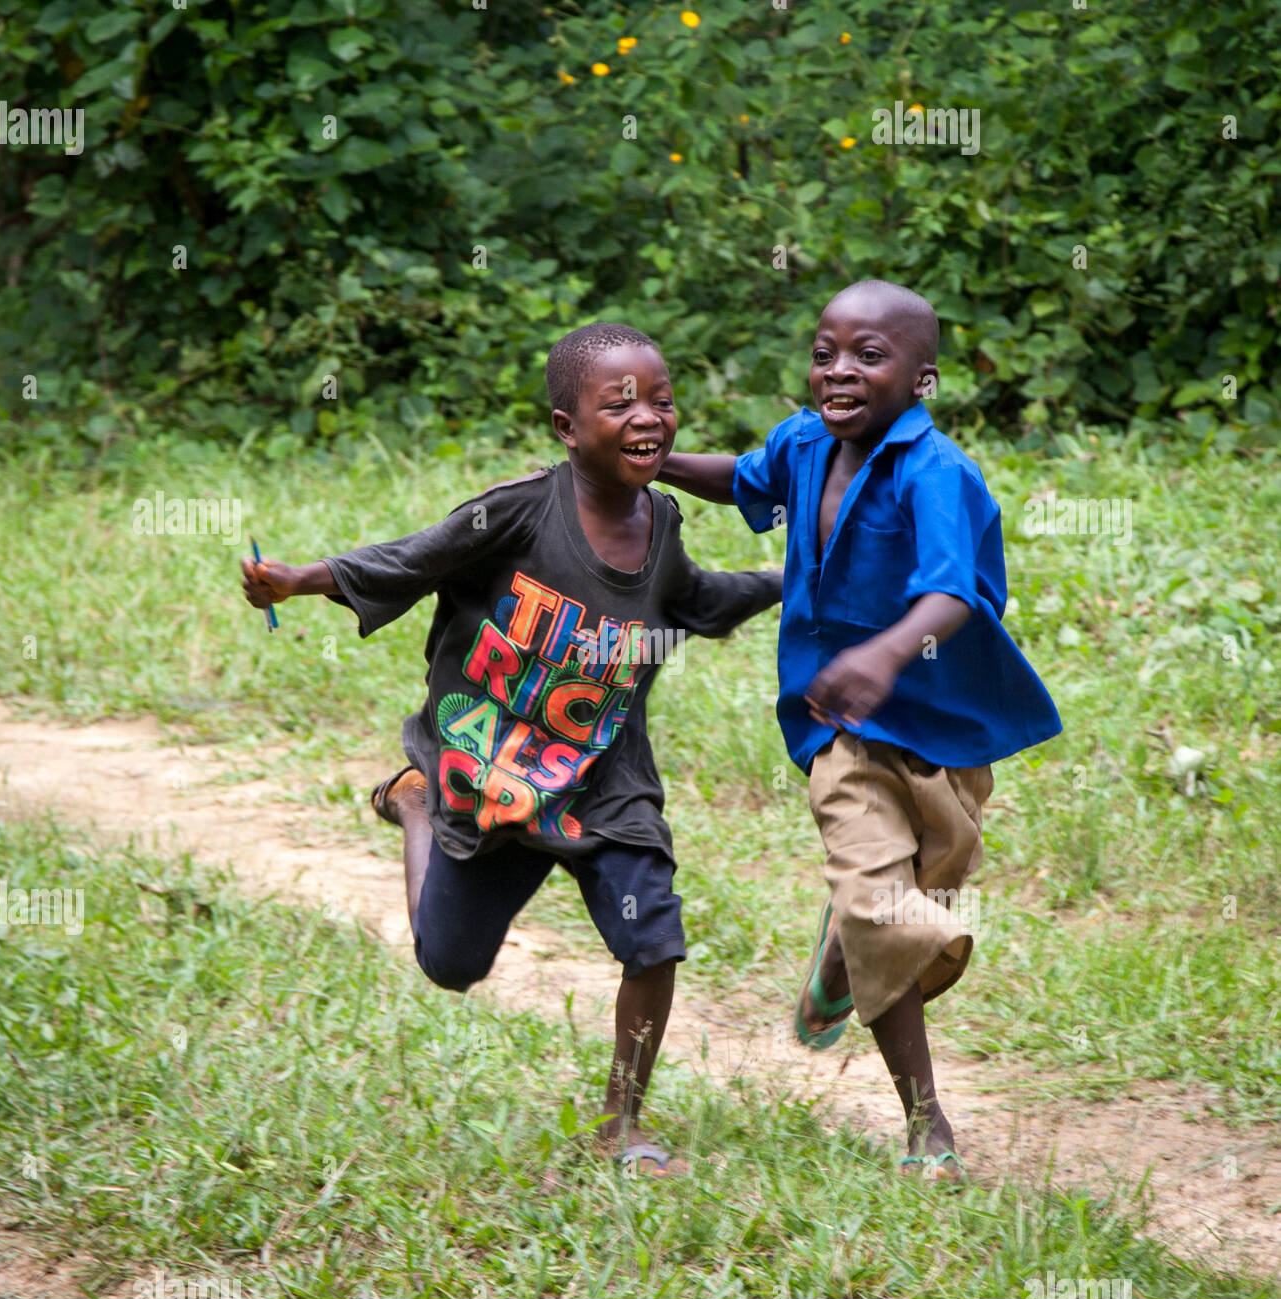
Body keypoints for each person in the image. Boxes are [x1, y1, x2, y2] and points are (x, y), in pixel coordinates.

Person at [242, 322, 782, 1176]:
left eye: (663, 400)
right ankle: (415, 800)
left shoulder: (663, 520)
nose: (649, 418)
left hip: (604, 778)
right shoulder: (519, 510)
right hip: (491, 769)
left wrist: (792, 582)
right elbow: (411, 559)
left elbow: (693, 599)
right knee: (450, 964)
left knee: (655, 942)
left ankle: (623, 1126)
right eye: (621, 405)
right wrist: (302, 578)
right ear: (568, 429)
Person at [657, 281, 1061, 1180]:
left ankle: (846, 943)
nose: (838, 370)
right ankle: (927, 1123)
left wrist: (886, 654)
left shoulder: (935, 473)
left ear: (921, 380)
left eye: (868, 356)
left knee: (921, 890)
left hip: (946, 733)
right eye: (824, 351)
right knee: (886, 912)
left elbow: (954, 592)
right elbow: (744, 480)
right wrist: (651, 460)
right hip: (837, 725)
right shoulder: (805, 446)